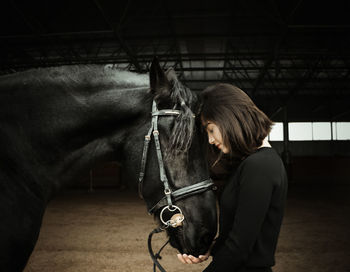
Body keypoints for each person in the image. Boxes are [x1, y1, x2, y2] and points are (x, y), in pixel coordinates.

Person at [177, 83, 288, 272]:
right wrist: (211, 249)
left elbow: (239, 248)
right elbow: (241, 232)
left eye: (211, 129)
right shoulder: (251, 163)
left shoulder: (259, 166)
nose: (210, 140)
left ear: (229, 118)